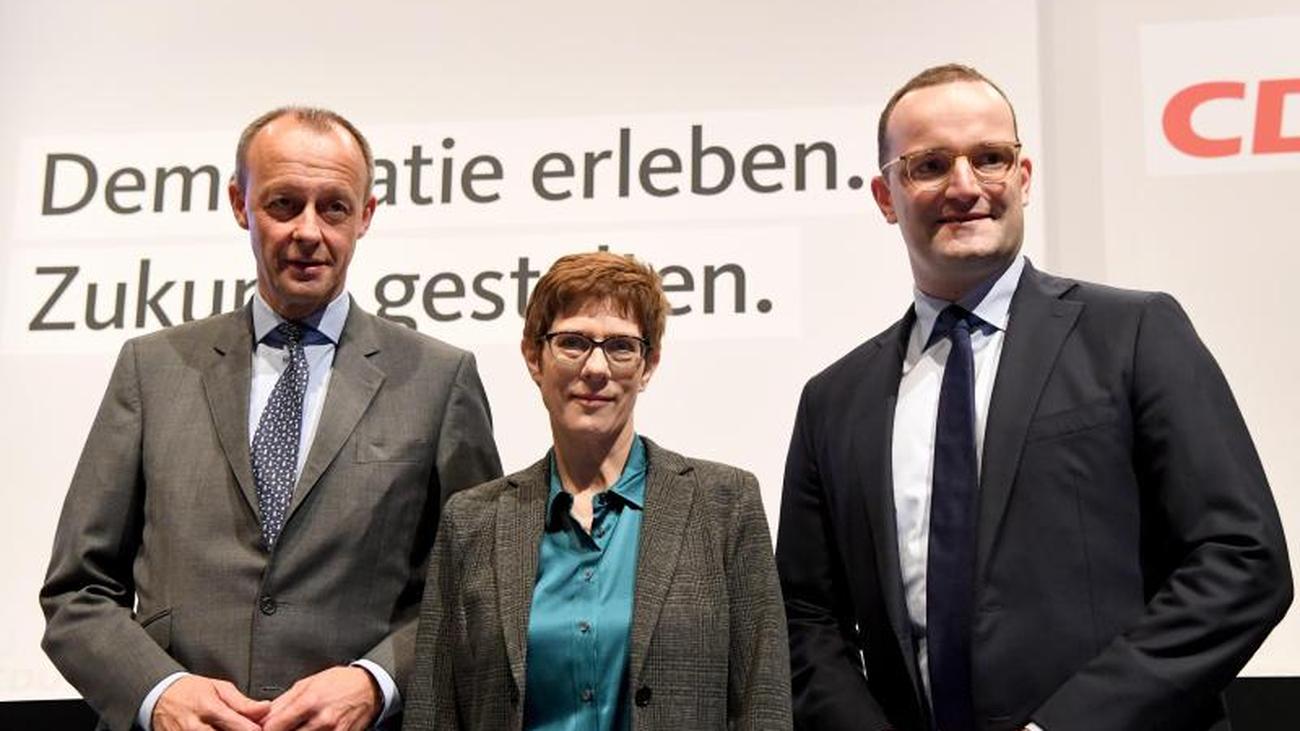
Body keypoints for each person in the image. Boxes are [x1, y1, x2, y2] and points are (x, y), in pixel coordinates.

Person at [776, 64, 1292, 731]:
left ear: (1023, 176)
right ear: (885, 196)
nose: (965, 186)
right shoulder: (834, 400)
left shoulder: (1134, 333)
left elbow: (1241, 560)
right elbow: (805, 619)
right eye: (929, 165)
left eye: (989, 158)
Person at [40, 106, 503, 731]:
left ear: (365, 216)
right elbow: (78, 591)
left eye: (334, 208)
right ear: (240, 203)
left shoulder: (439, 379)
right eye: (284, 204)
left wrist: (377, 680)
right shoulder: (151, 369)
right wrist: (159, 694)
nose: (308, 231)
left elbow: (479, 585)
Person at [403, 251, 791, 730]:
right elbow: (434, 713)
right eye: (573, 343)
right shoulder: (471, 522)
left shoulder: (725, 505)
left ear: (648, 365)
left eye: (621, 347)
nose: (596, 368)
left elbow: (763, 705)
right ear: (533, 358)